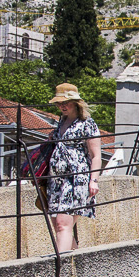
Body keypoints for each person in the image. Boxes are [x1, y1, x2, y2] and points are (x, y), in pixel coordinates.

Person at [42, 83, 102, 253]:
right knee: (58, 225)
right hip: (56, 181)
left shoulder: (87, 124)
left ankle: (59, 267)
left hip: (76, 179)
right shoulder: (60, 122)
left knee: (63, 224)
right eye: (59, 103)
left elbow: (96, 155)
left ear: (76, 103)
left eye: (65, 103)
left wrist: (94, 180)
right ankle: (77, 262)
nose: (62, 106)